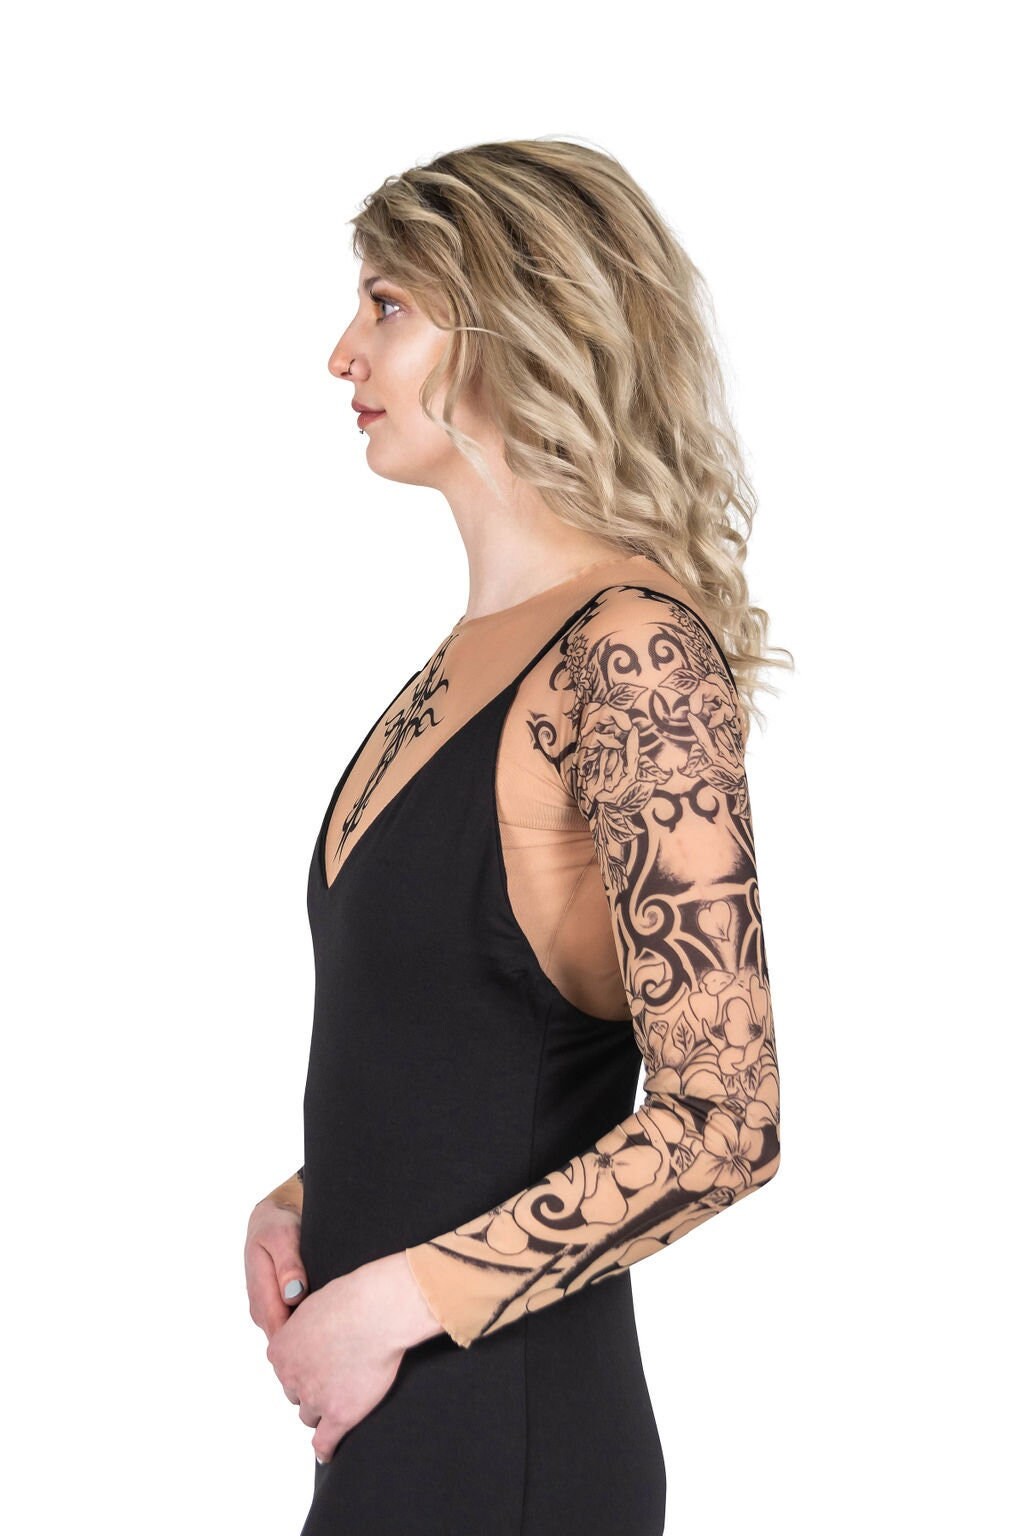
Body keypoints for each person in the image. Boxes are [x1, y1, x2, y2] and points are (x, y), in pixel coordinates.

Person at [243, 137, 790, 1535]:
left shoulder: (632, 654)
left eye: (387, 306)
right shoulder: (479, 653)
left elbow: (724, 1123)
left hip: (510, 1448)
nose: (342, 354)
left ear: (514, 324)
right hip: (400, 1442)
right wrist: (306, 1202)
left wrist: (392, 1302)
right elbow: (470, 1055)